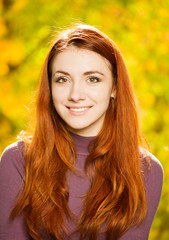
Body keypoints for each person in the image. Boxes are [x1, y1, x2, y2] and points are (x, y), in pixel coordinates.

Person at [0, 24, 163, 240]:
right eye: (63, 79)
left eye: (92, 79)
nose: (76, 94)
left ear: (114, 87)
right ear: (50, 87)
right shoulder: (18, 160)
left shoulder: (145, 170)